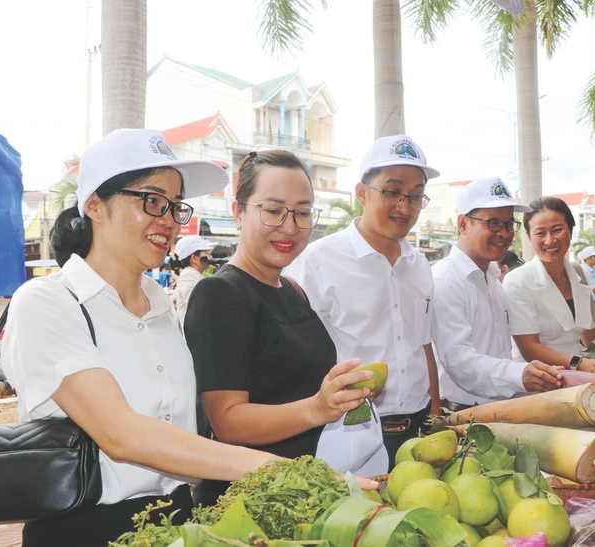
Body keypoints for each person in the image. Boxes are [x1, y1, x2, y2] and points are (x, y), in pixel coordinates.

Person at [0, 129, 330, 546]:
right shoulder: (48, 301)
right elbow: (122, 435)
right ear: (94, 205)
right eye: (151, 201)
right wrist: (277, 469)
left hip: (176, 524)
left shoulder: (161, 308)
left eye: (175, 207)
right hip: (84, 529)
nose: (169, 221)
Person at [183, 150, 383, 507]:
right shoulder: (220, 293)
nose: (290, 227)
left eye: (303, 213)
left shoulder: (293, 290)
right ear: (238, 213)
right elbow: (227, 420)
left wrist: (342, 395)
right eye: (273, 211)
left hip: (306, 489)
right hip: (250, 500)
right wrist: (318, 408)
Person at [287, 134, 441, 469]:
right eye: (392, 191)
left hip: (417, 430)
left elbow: (424, 344)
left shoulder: (420, 266)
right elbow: (293, 356)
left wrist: (435, 414)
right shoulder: (317, 262)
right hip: (347, 431)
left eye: (416, 196)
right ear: (361, 193)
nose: (404, 206)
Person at [431, 178, 567, 411]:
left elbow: (500, 355)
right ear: (463, 224)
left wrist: (537, 376)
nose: (503, 233)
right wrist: (520, 374)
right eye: (493, 223)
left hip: (496, 409)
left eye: (508, 224)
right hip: (461, 414)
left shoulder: (493, 283)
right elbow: (460, 362)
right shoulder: (444, 281)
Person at [504, 197, 595, 377]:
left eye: (557, 230)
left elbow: (592, 336)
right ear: (529, 237)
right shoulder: (517, 281)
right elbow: (529, 348)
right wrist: (578, 363)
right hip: (540, 382)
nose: (550, 240)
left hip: (580, 378)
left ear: (571, 232)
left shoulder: (578, 274)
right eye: (540, 233)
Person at [171, 235, 216, 326]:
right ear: (194, 258)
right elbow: (199, 307)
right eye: (206, 253)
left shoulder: (194, 274)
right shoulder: (188, 275)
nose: (210, 256)